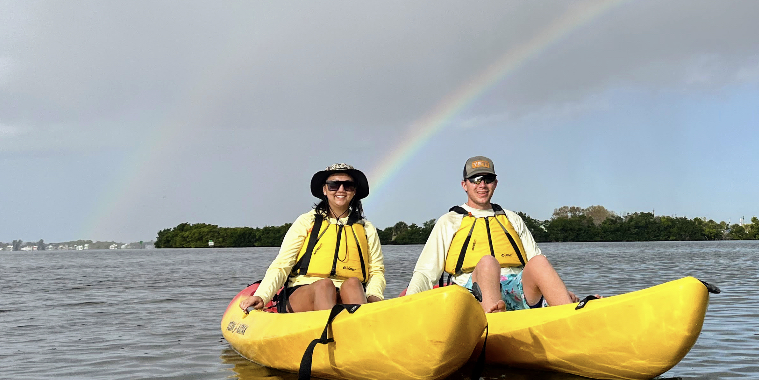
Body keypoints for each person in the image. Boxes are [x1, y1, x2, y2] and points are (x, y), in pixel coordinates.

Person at [406, 156, 577, 313]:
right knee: (488, 262)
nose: (482, 185)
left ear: (495, 183)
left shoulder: (512, 219)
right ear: (464, 185)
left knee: (539, 261)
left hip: (516, 288)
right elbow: (425, 273)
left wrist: (561, 292)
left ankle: (571, 317)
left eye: (488, 179)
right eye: (475, 179)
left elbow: (538, 265)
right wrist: (408, 304)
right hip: (472, 292)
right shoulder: (449, 221)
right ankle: (494, 321)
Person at [238, 163, 385, 313]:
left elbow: (376, 271)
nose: (341, 189)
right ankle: (327, 333)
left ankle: (360, 328)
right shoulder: (306, 221)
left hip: (348, 293)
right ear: (325, 189)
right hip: (304, 290)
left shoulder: (367, 228)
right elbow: (282, 264)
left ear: (354, 191)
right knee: (324, 286)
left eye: (348, 185)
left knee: (353, 283)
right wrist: (262, 295)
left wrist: (374, 296)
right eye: (334, 185)